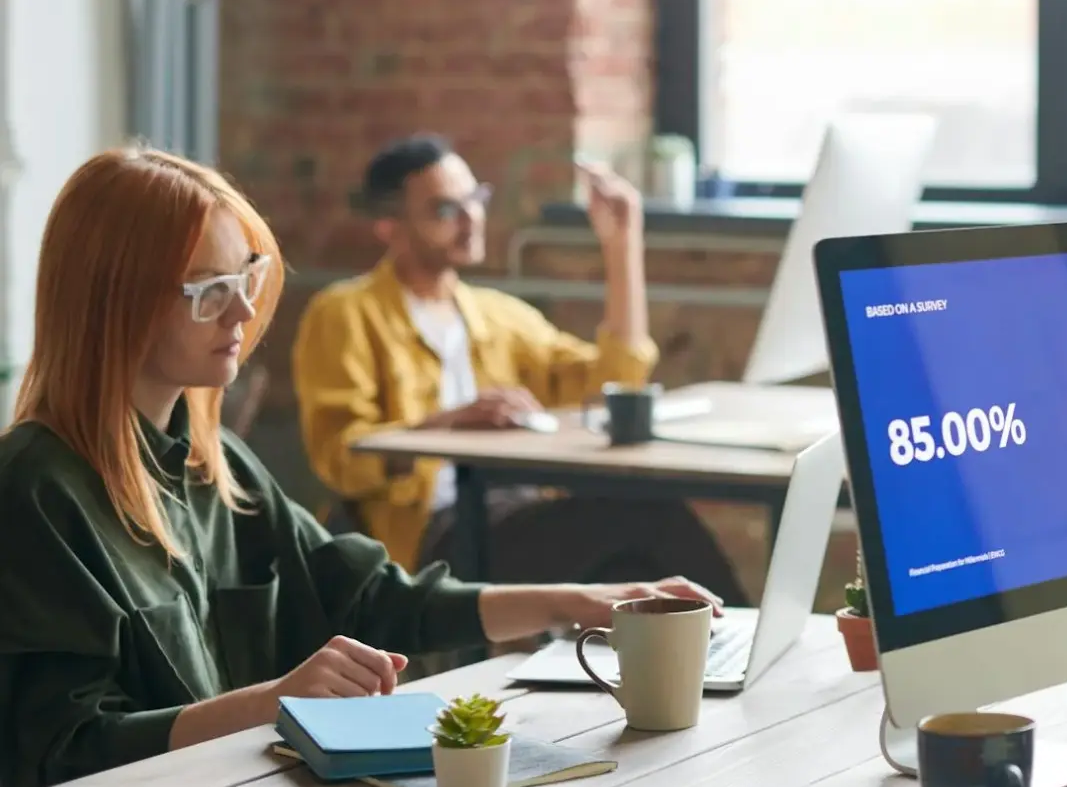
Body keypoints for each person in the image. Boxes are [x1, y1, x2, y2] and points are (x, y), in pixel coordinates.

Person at [0, 148, 724, 787]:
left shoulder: (213, 467)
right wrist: (274, 701)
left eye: (247, 275)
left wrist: (577, 601)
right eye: (209, 291)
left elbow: (378, 597)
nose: (246, 309)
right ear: (116, 306)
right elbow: (61, 757)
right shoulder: (36, 490)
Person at [290, 135, 740, 599]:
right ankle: (746, 650)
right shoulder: (345, 313)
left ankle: (717, 656)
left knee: (636, 555)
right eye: (445, 211)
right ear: (389, 226)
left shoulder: (498, 314)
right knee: (646, 519)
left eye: (475, 200)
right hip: (433, 535)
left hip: (516, 514)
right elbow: (340, 460)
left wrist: (621, 245)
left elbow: (614, 379)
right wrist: (447, 425)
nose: (471, 221)